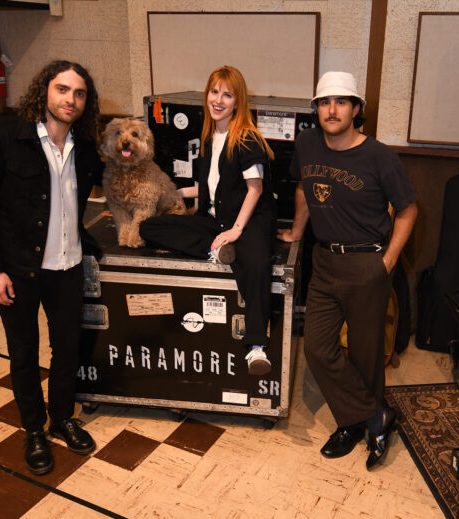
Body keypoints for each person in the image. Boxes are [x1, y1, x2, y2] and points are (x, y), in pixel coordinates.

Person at [0, 60, 103, 475]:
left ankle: (61, 417)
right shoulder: (6, 138)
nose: (70, 99)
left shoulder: (85, 146)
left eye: (79, 93)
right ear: (44, 91)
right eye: (63, 89)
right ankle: (33, 429)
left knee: (67, 348)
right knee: (23, 352)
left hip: (68, 265)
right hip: (18, 269)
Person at [278, 71, 417, 470]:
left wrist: (386, 262)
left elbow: (408, 209)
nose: (331, 109)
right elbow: (304, 187)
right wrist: (298, 232)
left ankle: (359, 425)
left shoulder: (379, 156)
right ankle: (374, 416)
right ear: (316, 110)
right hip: (324, 260)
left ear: (356, 109)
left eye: (340, 101)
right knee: (319, 349)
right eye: (324, 102)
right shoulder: (306, 144)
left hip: (366, 263)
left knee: (366, 354)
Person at [140, 65, 276, 376]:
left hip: (248, 220)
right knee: (149, 228)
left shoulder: (247, 139)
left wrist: (236, 231)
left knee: (255, 263)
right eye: (214, 92)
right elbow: (210, 187)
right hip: (217, 218)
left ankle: (256, 347)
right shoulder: (209, 135)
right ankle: (215, 250)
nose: (218, 100)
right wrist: (170, 194)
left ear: (238, 101)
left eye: (227, 95)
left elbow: (254, 189)